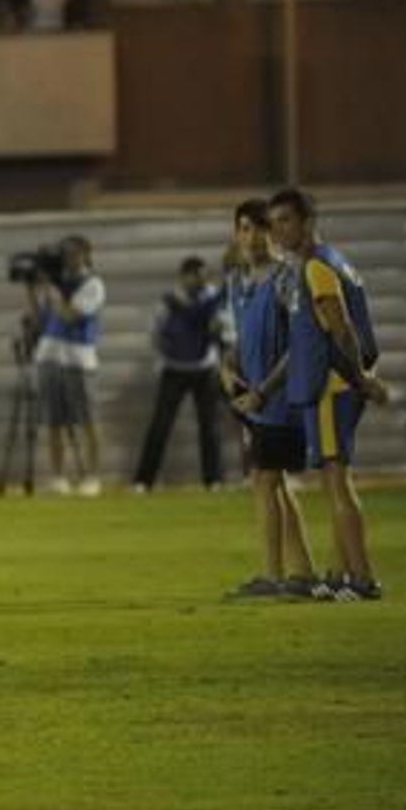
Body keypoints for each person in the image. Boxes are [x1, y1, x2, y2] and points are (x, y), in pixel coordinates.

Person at [264, 189, 389, 601]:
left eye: (285, 220)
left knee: (336, 482)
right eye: (273, 222)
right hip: (337, 385)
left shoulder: (317, 266)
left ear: (308, 221)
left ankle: (362, 578)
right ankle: (338, 574)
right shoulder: (334, 260)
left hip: (331, 387)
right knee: (335, 481)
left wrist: (362, 380)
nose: (277, 230)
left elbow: (342, 329)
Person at [220, 199, 317, 599]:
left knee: (265, 481)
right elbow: (242, 339)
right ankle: (303, 573)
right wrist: (227, 366)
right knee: (275, 484)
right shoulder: (237, 283)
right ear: (236, 235)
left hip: (281, 401)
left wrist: (264, 391)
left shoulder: (286, 279)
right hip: (255, 403)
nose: (254, 236)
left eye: (261, 227)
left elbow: (299, 345)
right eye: (245, 228)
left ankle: (274, 576)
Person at [132, 257, 226, 491]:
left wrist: (218, 331)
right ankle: (143, 481)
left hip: (205, 368)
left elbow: (223, 328)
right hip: (173, 369)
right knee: (160, 427)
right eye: (196, 276)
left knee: (209, 427)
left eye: (203, 277)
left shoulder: (213, 298)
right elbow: (153, 331)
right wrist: (164, 353)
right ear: (184, 276)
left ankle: (213, 480)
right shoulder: (168, 300)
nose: (201, 281)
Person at [29, 236, 105, 495]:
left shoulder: (92, 284)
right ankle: (58, 476)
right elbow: (40, 318)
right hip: (49, 356)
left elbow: (70, 315)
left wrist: (53, 289)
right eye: (65, 253)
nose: (68, 258)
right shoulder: (58, 282)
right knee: (54, 421)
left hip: (79, 360)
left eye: (73, 253)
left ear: (85, 254)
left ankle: (93, 477)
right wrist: (33, 289)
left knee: (88, 420)